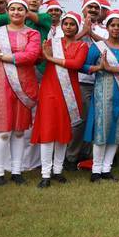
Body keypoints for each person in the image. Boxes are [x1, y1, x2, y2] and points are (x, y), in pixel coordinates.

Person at [0, 0, 41, 186]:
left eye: (20, 9)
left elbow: (31, 56)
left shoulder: (33, 33)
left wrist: (3, 56)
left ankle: (17, 171)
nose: (16, 12)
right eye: (13, 9)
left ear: (26, 12)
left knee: (20, 131)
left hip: (23, 83)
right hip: (0, 82)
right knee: (3, 131)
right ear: (7, 11)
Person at [31, 11, 88, 188]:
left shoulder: (82, 46)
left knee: (63, 133)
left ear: (78, 27)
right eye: (66, 24)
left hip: (69, 92)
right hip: (49, 90)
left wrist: (51, 58)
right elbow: (39, 59)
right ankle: (45, 174)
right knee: (48, 132)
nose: (69, 27)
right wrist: (42, 54)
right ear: (61, 26)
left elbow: (77, 64)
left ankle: (58, 170)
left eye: (72, 24)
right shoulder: (51, 43)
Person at [81, 9, 119, 182]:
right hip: (102, 94)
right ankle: (96, 171)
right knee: (102, 130)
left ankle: (107, 169)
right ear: (107, 27)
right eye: (113, 25)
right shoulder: (98, 47)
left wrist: (113, 69)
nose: (116, 28)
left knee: (117, 130)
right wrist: (98, 68)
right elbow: (83, 66)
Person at [64, 0, 99, 170]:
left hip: (101, 82)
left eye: (96, 7)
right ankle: (71, 156)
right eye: (89, 7)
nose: (92, 10)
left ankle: (89, 156)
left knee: (96, 120)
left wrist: (92, 34)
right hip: (80, 80)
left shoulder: (105, 28)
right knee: (79, 120)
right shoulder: (74, 26)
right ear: (83, 8)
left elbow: (110, 44)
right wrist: (84, 32)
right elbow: (65, 44)